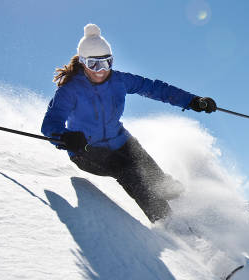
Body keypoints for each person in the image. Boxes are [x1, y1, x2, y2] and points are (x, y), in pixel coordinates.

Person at [41, 23, 216, 223]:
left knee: (159, 181)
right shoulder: (69, 90)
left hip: (121, 141)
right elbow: (50, 123)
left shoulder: (119, 80)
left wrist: (192, 101)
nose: (101, 71)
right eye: (93, 64)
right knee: (129, 172)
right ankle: (168, 223)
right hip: (86, 151)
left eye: (106, 63)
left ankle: (193, 215)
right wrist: (64, 137)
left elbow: (156, 88)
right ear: (82, 63)